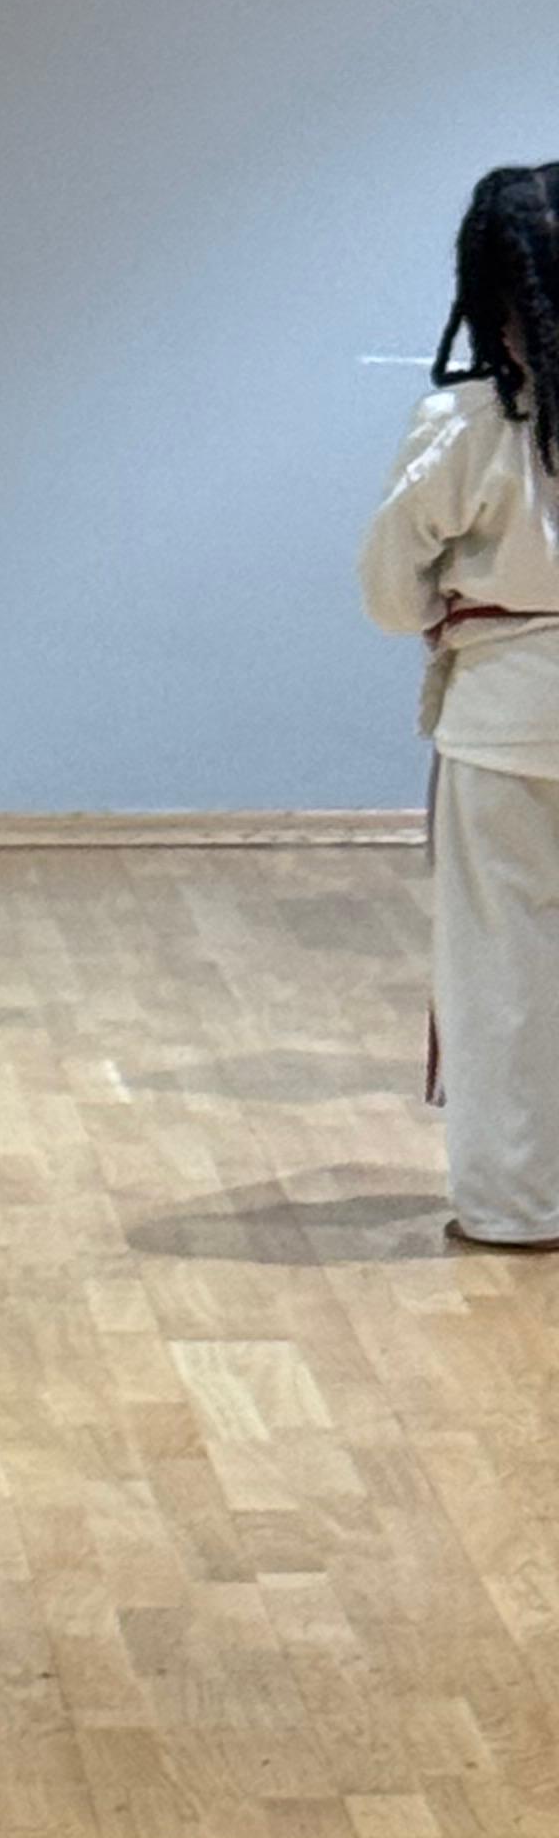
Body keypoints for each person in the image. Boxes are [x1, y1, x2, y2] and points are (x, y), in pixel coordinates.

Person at [361, 159, 559, 1250]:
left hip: (505, 720)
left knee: (503, 967)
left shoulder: (464, 424)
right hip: (501, 712)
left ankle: (517, 1205)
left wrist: (444, 604)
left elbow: (390, 595)